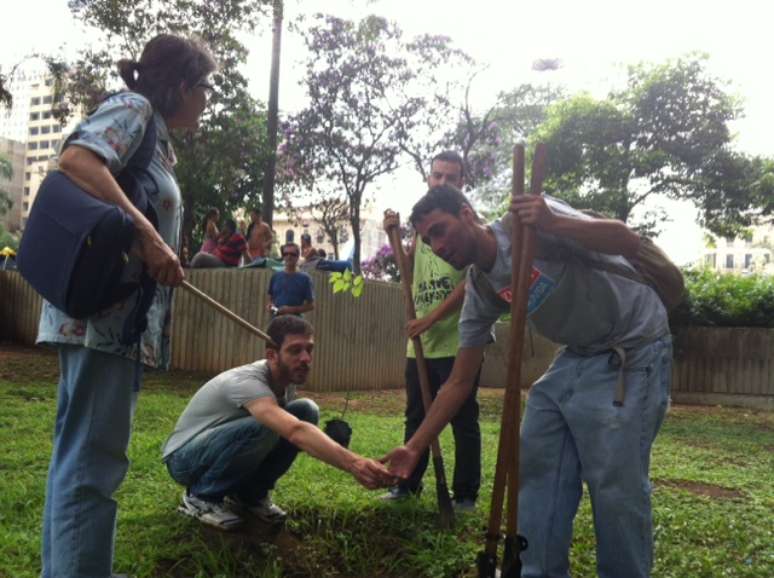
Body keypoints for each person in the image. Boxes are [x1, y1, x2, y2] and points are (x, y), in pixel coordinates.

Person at [383, 185, 673, 578]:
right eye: (427, 239)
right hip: (579, 352)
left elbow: (625, 239)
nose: (435, 246)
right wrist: (414, 447)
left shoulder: (529, 222)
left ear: (467, 214)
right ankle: (537, 570)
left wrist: (553, 222)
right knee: (537, 452)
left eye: (440, 230)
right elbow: (458, 382)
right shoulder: (482, 289)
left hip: (635, 343)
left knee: (615, 484)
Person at [36, 33, 216, 578]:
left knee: (80, 460)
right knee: (93, 463)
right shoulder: (134, 107)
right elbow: (78, 161)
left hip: (115, 324)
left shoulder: (159, 139)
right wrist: (150, 237)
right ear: (182, 85)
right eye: (206, 87)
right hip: (103, 322)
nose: (209, 99)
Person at [162, 315, 396, 530]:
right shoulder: (247, 381)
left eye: (309, 349)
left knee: (306, 410)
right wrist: (354, 463)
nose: (306, 358)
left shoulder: (284, 380)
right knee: (270, 423)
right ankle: (200, 498)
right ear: (272, 355)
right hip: (185, 459)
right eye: (295, 350)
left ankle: (250, 496)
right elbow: (294, 431)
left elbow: (296, 427)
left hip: (217, 449)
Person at [380, 151, 482, 511]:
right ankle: (408, 483)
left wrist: (433, 318)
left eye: (450, 178)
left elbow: (474, 282)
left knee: (463, 416)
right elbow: (410, 274)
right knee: (417, 414)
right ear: (429, 179)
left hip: (459, 339)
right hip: (422, 341)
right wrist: (394, 240)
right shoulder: (423, 229)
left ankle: (466, 494)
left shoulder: (466, 224)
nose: (442, 183)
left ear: (462, 183)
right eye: (437, 176)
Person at [267, 242, 315, 317]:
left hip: (296, 323)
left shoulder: (305, 279)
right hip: (276, 322)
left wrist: (291, 310)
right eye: (286, 254)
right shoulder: (275, 277)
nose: (289, 257)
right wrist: (273, 308)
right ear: (283, 256)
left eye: (292, 254)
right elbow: (270, 301)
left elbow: (311, 306)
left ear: (297, 256)